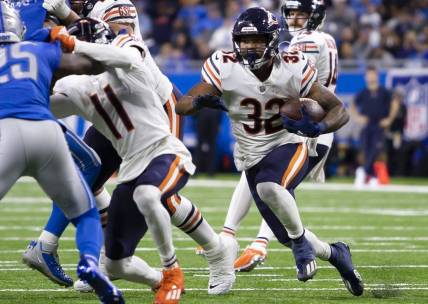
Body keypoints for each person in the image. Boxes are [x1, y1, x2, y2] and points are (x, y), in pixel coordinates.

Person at [177, 6, 363, 295]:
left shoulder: (293, 64)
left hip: (287, 143)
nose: (249, 47)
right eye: (244, 40)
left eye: (258, 40)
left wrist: (319, 128)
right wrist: (199, 102)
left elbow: (339, 109)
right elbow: (182, 105)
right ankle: (336, 254)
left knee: (269, 188)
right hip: (250, 155)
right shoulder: (223, 64)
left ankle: (300, 244)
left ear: (273, 40)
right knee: (283, 233)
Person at [49, 17, 238, 302]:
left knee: (152, 195)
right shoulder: (75, 84)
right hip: (130, 164)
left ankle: (183, 264)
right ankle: (157, 277)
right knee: (116, 260)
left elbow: (123, 55)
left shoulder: (125, 45)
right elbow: (46, 106)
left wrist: (74, 43)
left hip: (164, 144)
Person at [0, 3, 123, 304]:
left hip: (5, 135)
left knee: (91, 165)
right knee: (86, 209)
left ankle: (46, 245)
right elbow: (90, 66)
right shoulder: (37, 49)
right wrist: (91, 42)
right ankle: (90, 263)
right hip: (43, 130)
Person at [234, 0, 337, 271]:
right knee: (259, 176)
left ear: (315, 15)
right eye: (290, 13)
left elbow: (294, 83)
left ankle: (257, 243)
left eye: (301, 13)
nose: (294, 18)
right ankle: (235, 236)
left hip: (307, 126)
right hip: (301, 123)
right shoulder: (315, 39)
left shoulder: (310, 41)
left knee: (275, 186)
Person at [351, 66, 399, 186]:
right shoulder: (363, 93)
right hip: (367, 126)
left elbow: (395, 103)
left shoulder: (384, 92)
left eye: (373, 74)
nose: (371, 77)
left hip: (379, 125)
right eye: (369, 74)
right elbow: (352, 105)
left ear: (377, 76)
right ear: (366, 77)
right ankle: (372, 176)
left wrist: (389, 119)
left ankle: (362, 171)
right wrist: (357, 117)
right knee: (367, 151)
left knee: (375, 149)